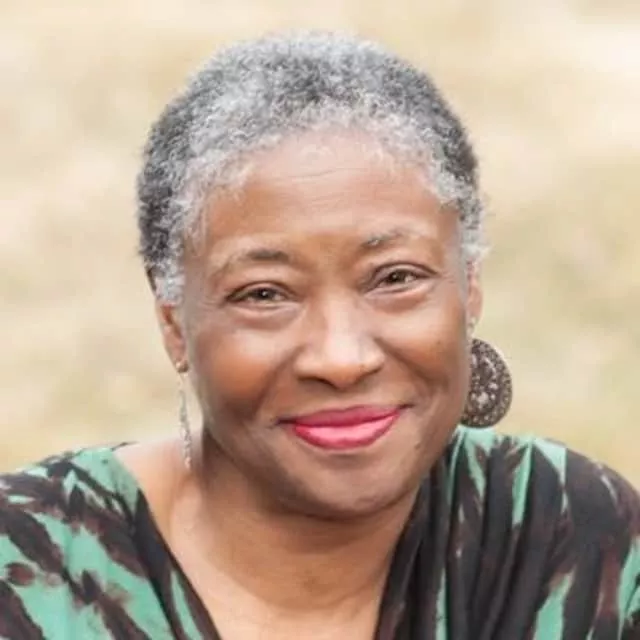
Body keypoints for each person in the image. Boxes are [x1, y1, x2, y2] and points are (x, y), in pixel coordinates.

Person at [1, 31, 638, 640]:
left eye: (395, 277)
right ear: (172, 318)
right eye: (264, 294)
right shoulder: (29, 576)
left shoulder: (573, 538)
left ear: (468, 285)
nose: (341, 358)